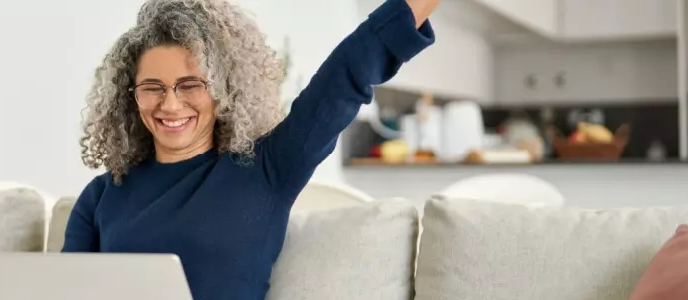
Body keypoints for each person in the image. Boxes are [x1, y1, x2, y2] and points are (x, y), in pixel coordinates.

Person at [64, 0, 438, 299]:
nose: (171, 105)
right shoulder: (102, 194)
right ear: (130, 97)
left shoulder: (267, 168)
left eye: (190, 84)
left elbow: (347, 73)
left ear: (223, 88)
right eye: (153, 87)